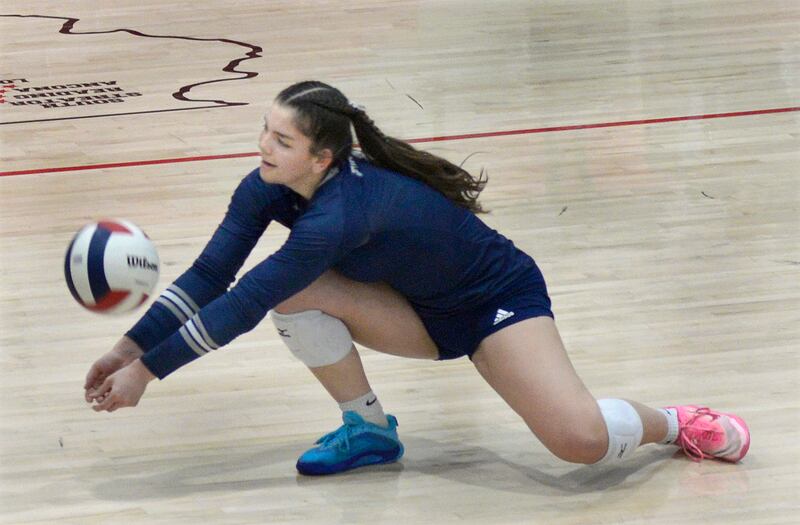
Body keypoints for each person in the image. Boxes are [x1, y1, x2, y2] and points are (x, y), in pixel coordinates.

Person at [84, 80, 750, 476]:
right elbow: (210, 274)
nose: (264, 146)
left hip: (495, 302)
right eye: (266, 130)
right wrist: (128, 350)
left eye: (282, 141)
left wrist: (148, 374)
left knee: (578, 442)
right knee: (287, 290)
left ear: (321, 157)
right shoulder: (267, 187)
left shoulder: (340, 215)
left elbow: (247, 297)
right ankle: (368, 427)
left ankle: (675, 421)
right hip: (408, 308)